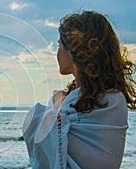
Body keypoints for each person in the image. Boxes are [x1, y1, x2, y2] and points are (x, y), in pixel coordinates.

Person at [22, 10, 136, 169]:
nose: (57, 52)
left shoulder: (109, 101)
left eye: (59, 45)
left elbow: (44, 145)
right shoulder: (114, 98)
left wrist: (54, 105)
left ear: (74, 49)